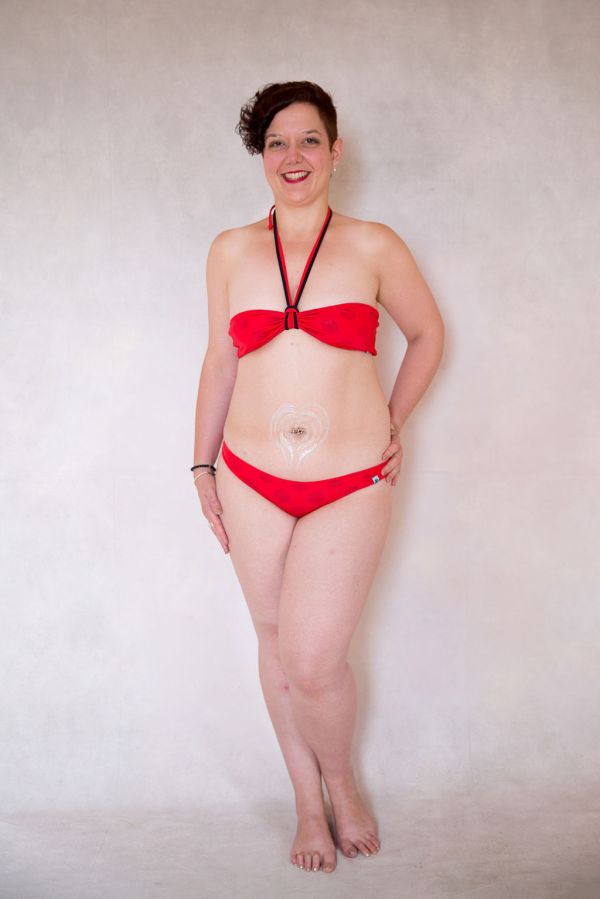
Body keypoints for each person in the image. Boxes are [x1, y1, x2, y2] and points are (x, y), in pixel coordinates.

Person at [192, 81, 445, 875]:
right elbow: (219, 359)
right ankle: (307, 801)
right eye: (276, 143)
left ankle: (341, 779)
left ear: (335, 151)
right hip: (250, 478)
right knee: (274, 642)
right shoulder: (230, 250)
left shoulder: (373, 245)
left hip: (350, 482)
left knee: (314, 659)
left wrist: (394, 421)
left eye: (308, 140)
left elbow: (428, 333)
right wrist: (201, 463)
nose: (292, 156)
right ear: (261, 157)